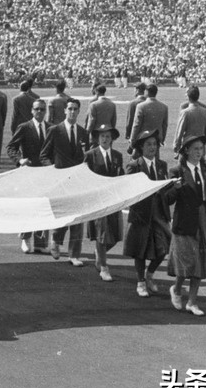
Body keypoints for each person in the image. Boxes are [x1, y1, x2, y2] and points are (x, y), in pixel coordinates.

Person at [164, 134, 206, 317]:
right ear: (186, 151)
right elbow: (167, 199)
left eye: (201, 148)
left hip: (205, 220)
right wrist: (174, 189)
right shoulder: (176, 171)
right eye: (195, 149)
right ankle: (176, 289)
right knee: (186, 261)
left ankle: (192, 301)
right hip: (185, 222)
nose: (199, 152)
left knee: (201, 260)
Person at [123, 129, 173, 298]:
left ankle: (150, 274)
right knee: (140, 250)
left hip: (159, 214)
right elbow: (129, 192)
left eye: (155, 145)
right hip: (141, 215)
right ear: (141, 147)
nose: (153, 148)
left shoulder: (162, 165)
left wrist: (173, 188)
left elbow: (165, 192)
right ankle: (141, 282)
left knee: (164, 247)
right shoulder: (134, 166)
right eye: (149, 145)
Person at [40, 98, 89, 266]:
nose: (72, 112)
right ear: (64, 111)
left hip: (77, 181)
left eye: (75, 109)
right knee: (63, 214)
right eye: (70, 109)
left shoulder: (83, 132)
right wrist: (52, 170)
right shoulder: (55, 130)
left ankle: (74, 254)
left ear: (79, 111)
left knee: (78, 217)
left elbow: (86, 156)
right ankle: (55, 240)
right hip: (60, 180)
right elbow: (44, 155)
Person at [6, 99, 50, 254]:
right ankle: (25, 238)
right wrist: (19, 159)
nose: (40, 112)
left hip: (45, 174)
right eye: (37, 109)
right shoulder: (24, 127)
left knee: (44, 207)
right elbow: (11, 147)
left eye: (42, 110)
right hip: (29, 172)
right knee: (29, 206)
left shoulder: (51, 128)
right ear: (32, 110)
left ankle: (41, 242)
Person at [83, 124, 124, 282]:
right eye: (102, 136)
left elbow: (120, 176)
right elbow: (85, 178)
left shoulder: (117, 156)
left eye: (108, 136)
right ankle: (104, 267)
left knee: (115, 235)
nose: (105, 139)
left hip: (113, 199)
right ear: (97, 139)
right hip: (98, 201)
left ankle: (99, 255)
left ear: (111, 139)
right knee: (102, 234)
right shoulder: (90, 155)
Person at [129, 84, 168, 152]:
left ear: (146, 92)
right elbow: (164, 125)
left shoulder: (141, 106)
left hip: (142, 140)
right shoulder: (164, 107)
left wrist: (132, 141)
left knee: (140, 161)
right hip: (156, 139)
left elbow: (136, 125)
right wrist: (162, 139)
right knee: (155, 160)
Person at [172, 85, 206, 152]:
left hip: (188, 146)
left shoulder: (185, 112)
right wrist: (205, 142)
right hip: (200, 146)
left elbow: (180, 131)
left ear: (188, 97)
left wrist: (176, 145)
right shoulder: (205, 111)